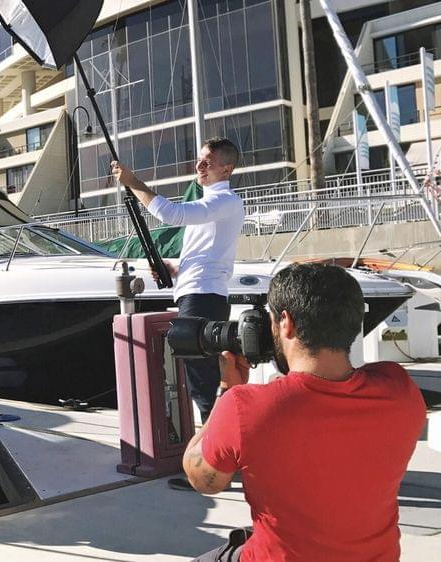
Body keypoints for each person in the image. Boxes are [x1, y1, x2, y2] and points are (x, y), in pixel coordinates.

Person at [185, 263, 425, 561]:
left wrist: (226, 391)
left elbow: (203, 480)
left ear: (286, 323)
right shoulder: (400, 390)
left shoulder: (244, 406)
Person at [112, 138, 245, 490]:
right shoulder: (212, 205)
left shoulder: (224, 201)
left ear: (227, 168)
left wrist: (132, 181)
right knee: (204, 381)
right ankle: (223, 460)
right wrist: (174, 269)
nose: (199, 166)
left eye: (208, 162)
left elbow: (171, 214)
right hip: (200, 293)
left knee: (202, 384)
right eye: (199, 160)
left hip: (202, 298)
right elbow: (205, 254)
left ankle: (214, 467)